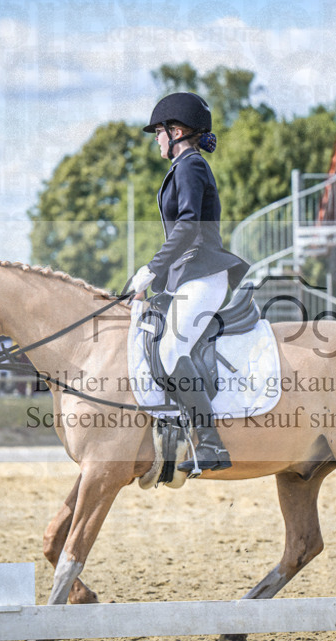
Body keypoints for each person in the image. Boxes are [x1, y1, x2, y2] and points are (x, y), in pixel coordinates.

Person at [132, 92, 249, 474]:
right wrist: (157, 281)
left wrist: (152, 268)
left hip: (204, 275)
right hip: (188, 275)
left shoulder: (190, 166)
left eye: (159, 132)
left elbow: (188, 227)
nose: (156, 139)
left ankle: (211, 444)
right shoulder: (184, 165)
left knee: (170, 351)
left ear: (176, 131)